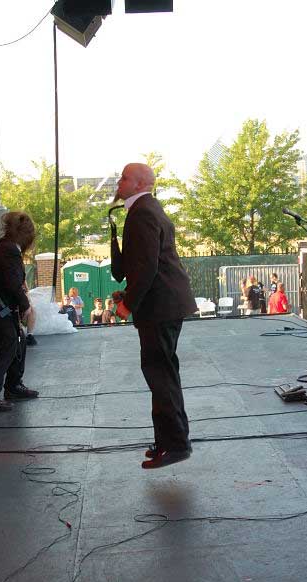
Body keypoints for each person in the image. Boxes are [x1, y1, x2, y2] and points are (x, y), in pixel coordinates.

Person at [112, 163, 196, 469]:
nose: (119, 182)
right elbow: (145, 264)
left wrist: (128, 303)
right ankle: (170, 441)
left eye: (124, 178)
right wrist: (129, 293)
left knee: (160, 375)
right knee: (164, 374)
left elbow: (147, 266)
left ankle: (175, 445)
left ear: (138, 184)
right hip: (165, 304)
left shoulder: (143, 213)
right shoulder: (147, 208)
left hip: (159, 307)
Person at [0, 211, 39, 413]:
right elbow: (13, 283)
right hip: (0, 311)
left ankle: (13, 386)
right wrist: (25, 305)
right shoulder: (10, 251)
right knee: (8, 347)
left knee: (17, 342)